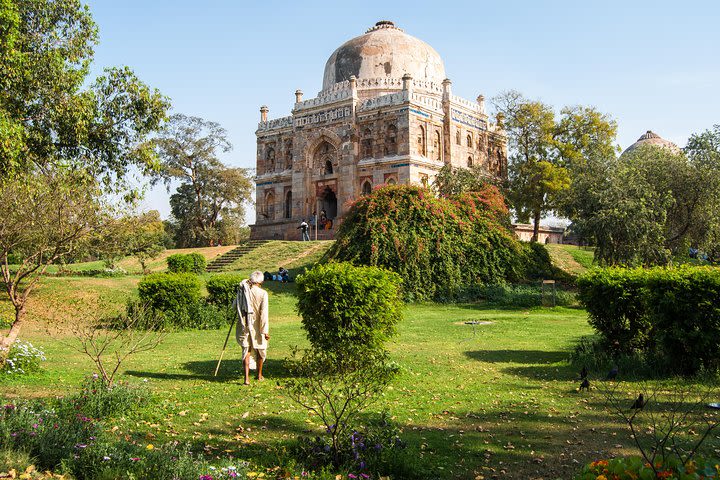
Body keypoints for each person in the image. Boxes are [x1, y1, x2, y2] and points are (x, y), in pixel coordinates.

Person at [234, 270, 270, 385]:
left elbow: (234, 306)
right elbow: (264, 313)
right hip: (258, 325)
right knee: (260, 349)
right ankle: (259, 375)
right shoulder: (263, 293)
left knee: (246, 349)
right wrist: (265, 331)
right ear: (261, 281)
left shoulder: (243, 291)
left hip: (244, 324)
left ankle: (246, 379)